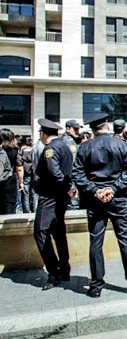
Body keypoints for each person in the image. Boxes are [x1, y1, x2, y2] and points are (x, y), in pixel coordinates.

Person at [72, 114, 127, 298]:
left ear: (92, 129)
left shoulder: (85, 147)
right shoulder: (121, 145)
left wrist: (96, 190)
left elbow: (78, 175)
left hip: (95, 200)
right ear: (107, 126)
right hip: (117, 199)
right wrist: (113, 188)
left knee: (96, 242)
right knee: (125, 240)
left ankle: (96, 285)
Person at [33, 119, 75, 290]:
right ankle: (64, 268)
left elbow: (54, 171)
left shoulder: (50, 149)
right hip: (60, 197)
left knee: (40, 232)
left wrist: (67, 187)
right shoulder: (65, 146)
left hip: (49, 197)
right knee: (58, 233)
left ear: (43, 134)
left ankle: (54, 271)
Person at [0, 128, 22, 214]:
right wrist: (21, 182)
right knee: (9, 212)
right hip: (10, 184)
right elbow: (19, 168)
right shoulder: (15, 151)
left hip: (1, 183)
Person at [19, 137, 34, 213]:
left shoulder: (21, 153)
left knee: (25, 193)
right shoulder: (34, 151)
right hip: (34, 174)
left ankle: (26, 211)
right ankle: (34, 209)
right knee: (34, 193)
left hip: (25, 175)